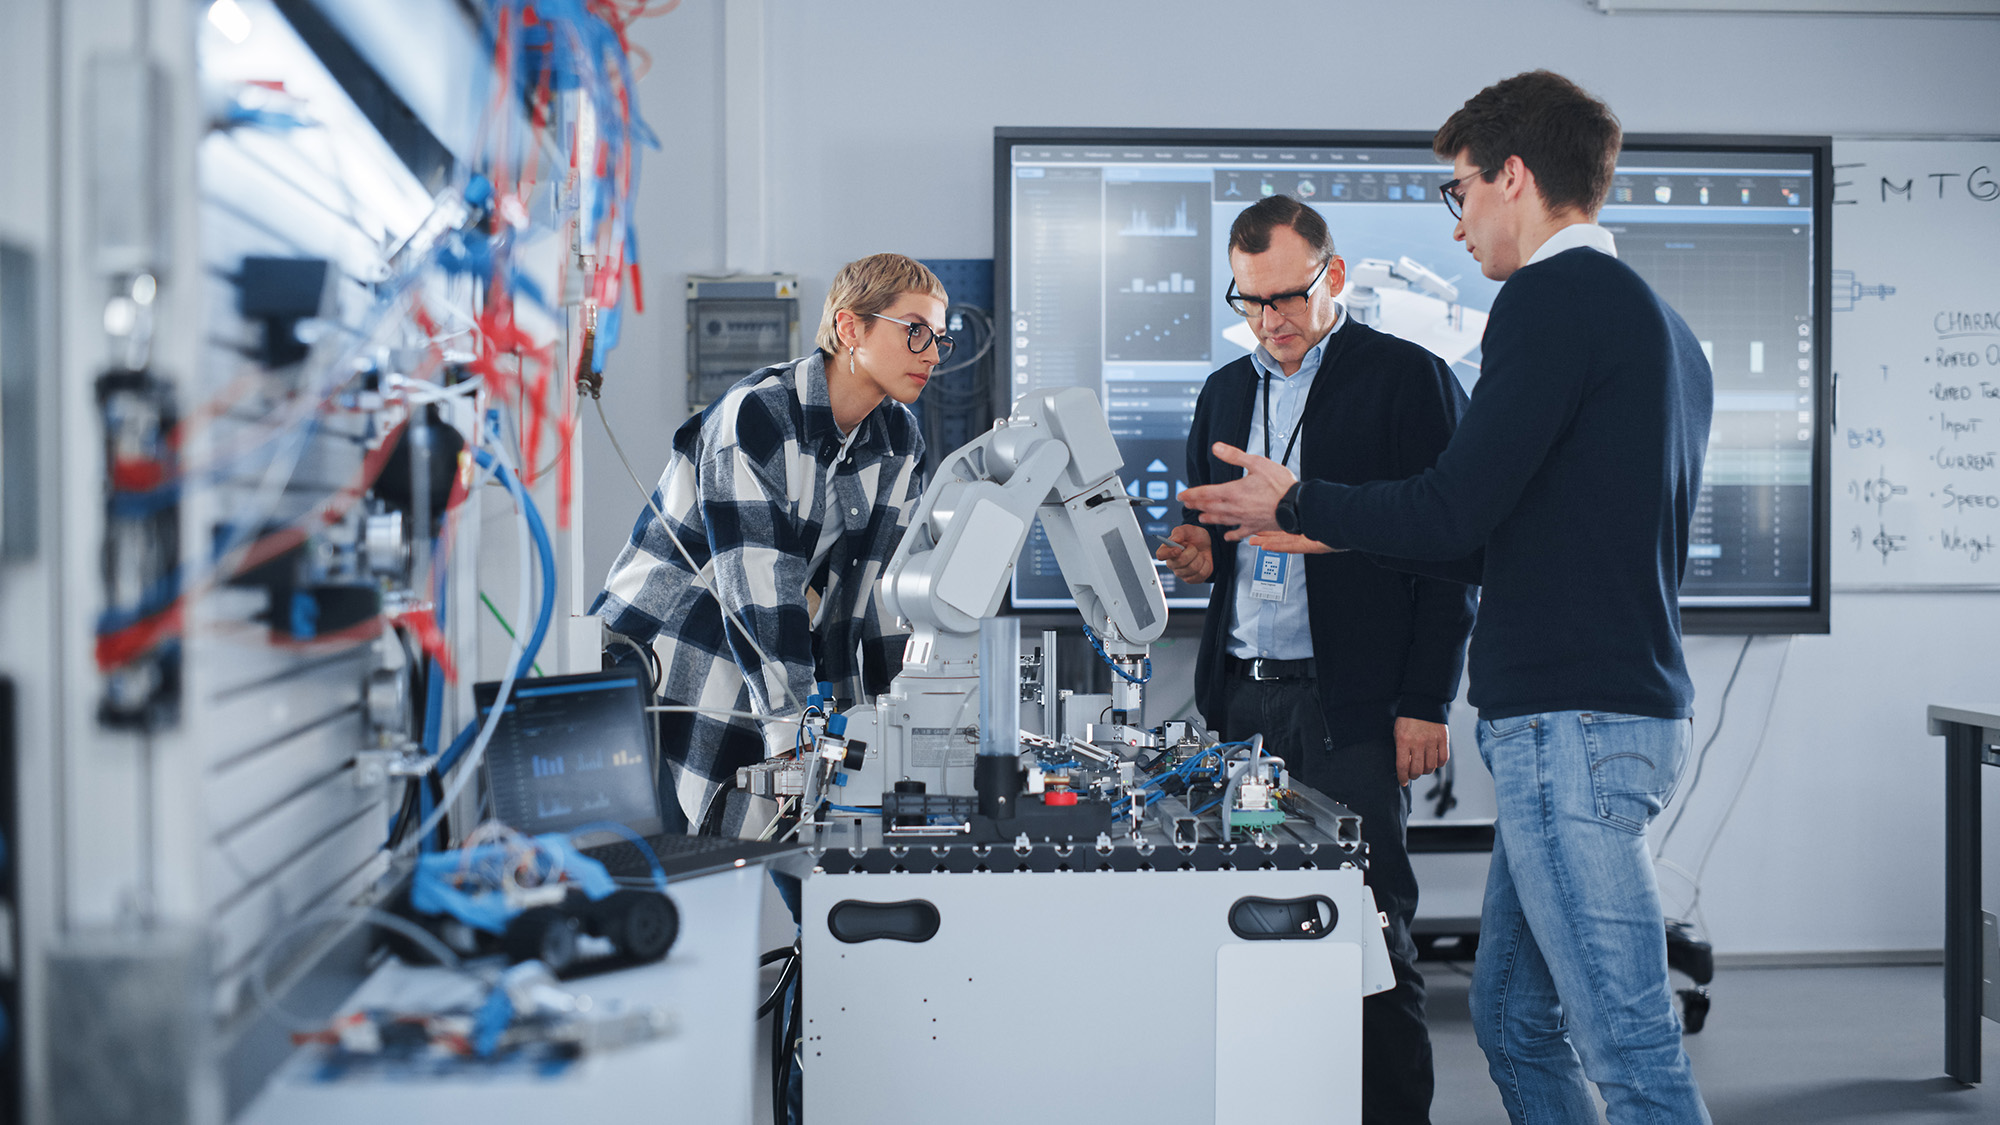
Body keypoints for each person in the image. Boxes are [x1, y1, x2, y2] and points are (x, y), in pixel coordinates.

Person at [1178, 71, 1715, 1124]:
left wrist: (1309, 501)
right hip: (1578, 713)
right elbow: (1518, 539)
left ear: (1510, 177)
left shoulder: (1551, 301)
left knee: (1629, 1042)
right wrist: (1315, 523)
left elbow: (1451, 512)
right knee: (1514, 1018)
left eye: (1458, 192)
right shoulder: (1654, 323)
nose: (1458, 224)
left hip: (1572, 723)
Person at [1155, 194, 1476, 1125]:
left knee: (1372, 936)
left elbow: (1448, 555)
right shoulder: (1224, 391)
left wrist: (1424, 699)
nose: (1272, 321)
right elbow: (1212, 537)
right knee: (1249, 926)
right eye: (1251, 301)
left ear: (1333, 276)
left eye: (1289, 297)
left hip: (1353, 712)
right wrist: (1197, 553)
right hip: (1244, 712)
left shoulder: (1409, 380)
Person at [593, 253, 948, 835]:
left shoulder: (897, 438)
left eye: (939, 338)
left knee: (805, 847)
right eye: (915, 332)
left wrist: (899, 730)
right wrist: (794, 727)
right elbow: (759, 577)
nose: (932, 354)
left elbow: (882, 596)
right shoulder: (759, 413)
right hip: (661, 660)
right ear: (850, 327)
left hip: (762, 660)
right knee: (679, 874)